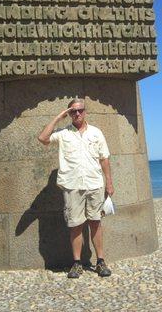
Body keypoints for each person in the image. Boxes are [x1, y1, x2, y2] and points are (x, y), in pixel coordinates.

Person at [38, 98, 113, 279]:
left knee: (95, 223)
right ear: (69, 113)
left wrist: (109, 182)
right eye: (73, 111)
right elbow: (43, 138)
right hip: (72, 186)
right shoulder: (63, 133)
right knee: (75, 225)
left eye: (80, 110)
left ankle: (100, 261)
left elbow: (104, 159)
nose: (77, 114)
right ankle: (77, 263)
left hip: (94, 184)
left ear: (85, 111)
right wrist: (58, 117)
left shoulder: (96, 133)